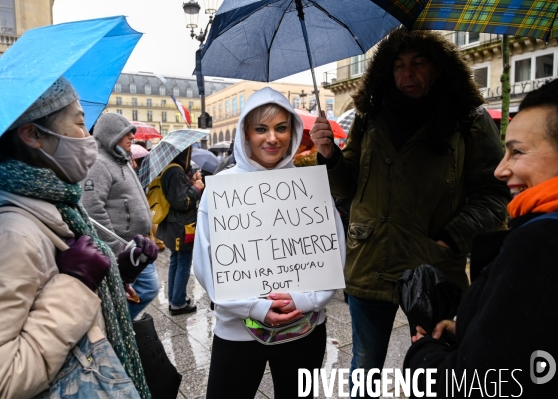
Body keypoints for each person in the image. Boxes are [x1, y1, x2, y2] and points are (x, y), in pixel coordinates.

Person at [309, 28, 511, 396]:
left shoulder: (467, 120)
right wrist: (330, 156)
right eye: (399, 65)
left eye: (418, 63)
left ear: (438, 68)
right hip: (370, 263)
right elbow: (348, 186)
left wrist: (451, 238)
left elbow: (496, 193)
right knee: (364, 367)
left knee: (441, 366)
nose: (408, 74)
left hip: (433, 266)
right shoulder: (369, 117)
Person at [0, 77, 155, 398]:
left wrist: (117, 274)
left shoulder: (56, 203)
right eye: (79, 124)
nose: (88, 138)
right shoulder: (11, 233)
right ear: (33, 135)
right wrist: (76, 283)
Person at [404, 78, 558, 397]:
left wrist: (424, 355)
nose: (501, 170)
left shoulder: (540, 245)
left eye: (517, 152)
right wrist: (469, 329)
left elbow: (481, 385)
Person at [193, 87, 347, 398]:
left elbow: (332, 252)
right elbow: (206, 265)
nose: (272, 138)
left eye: (281, 128)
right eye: (261, 129)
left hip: (303, 328)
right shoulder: (221, 189)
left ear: (293, 132)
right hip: (237, 331)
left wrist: (305, 301)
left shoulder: (310, 185)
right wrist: (254, 307)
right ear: (246, 134)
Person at [81, 113, 159, 319]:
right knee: (146, 289)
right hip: (123, 250)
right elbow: (92, 210)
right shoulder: (99, 164)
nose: (132, 137)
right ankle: (118, 325)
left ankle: (121, 323)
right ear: (110, 136)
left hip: (137, 247)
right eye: (126, 134)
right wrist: (115, 249)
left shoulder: (122, 160)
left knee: (144, 290)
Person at [157, 145, 203, 315]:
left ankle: (175, 298)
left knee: (176, 261)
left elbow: (177, 193)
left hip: (173, 225)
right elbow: (182, 202)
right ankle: (178, 303)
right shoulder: (175, 171)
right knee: (183, 262)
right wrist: (197, 187)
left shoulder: (169, 168)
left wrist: (191, 180)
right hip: (181, 227)